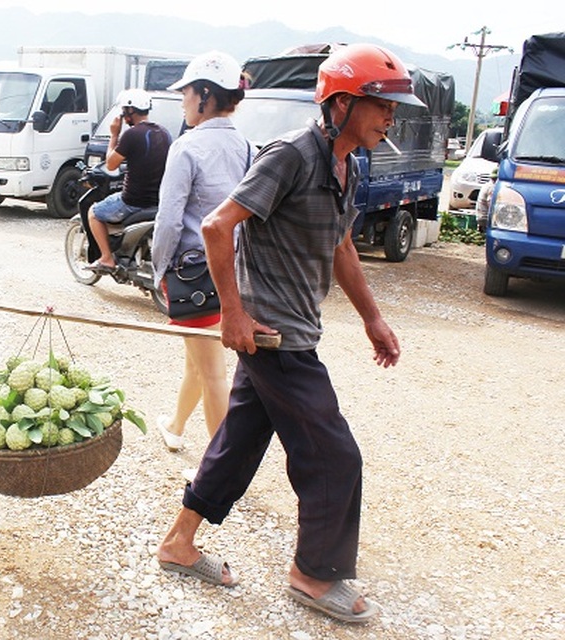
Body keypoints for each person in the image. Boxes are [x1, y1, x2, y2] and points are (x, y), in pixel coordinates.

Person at [157, 44, 414, 623]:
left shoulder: (348, 164)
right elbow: (218, 226)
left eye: (394, 109)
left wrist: (373, 318)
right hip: (275, 338)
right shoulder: (291, 155)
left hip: (295, 330)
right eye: (381, 105)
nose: (390, 118)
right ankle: (313, 575)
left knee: (238, 443)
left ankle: (178, 543)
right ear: (342, 104)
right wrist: (232, 314)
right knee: (334, 457)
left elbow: (341, 246)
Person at [150, 51, 253, 476]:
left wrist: (158, 270)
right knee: (199, 359)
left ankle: (218, 473)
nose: (182, 102)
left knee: (213, 372)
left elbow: (169, 220)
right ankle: (175, 426)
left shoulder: (187, 147)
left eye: (186, 93)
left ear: (205, 95)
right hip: (234, 273)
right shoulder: (246, 146)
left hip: (193, 275)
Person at [86, 88, 171, 272]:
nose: (123, 115)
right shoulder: (164, 133)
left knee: (94, 213)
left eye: (124, 111)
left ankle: (106, 258)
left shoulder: (132, 135)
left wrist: (114, 135)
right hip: (158, 200)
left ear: (130, 110)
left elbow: (111, 164)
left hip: (133, 202)